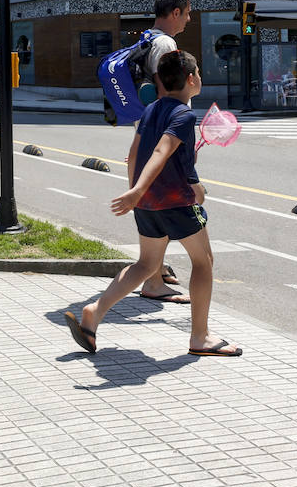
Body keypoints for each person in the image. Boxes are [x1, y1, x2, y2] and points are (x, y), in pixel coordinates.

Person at [66, 51, 242, 358]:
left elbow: (135, 152)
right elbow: (162, 151)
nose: (199, 76)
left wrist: (135, 192)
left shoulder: (151, 109)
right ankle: (200, 336)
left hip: (147, 203)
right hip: (176, 202)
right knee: (204, 262)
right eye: (197, 71)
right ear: (190, 79)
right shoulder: (184, 115)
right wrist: (190, 188)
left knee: (146, 265)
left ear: (160, 80)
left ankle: (95, 311)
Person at [130, 0, 194, 303]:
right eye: (188, 12)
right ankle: (153, 280)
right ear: (175, 13)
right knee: (163, 203)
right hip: (160, 131)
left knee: (156, 203)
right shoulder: (166, 43)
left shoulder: (147, 37)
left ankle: (157, 269)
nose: (189, 19)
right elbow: (166, 87)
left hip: (147, 128)